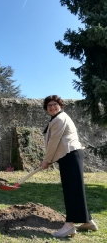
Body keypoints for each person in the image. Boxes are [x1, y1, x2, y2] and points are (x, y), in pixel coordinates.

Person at [41, 95, 98, 238]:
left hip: (70, 155)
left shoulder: (60, 118)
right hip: (69, 156)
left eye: (55, 104)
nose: (52, 107)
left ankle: (69, 226)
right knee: (75, 189)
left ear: (60, 105)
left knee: (71, 191)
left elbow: (54, 141)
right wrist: (50, 159)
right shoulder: (57, 118)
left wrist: (47, 160)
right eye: (49, 106)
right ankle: (88, 221)